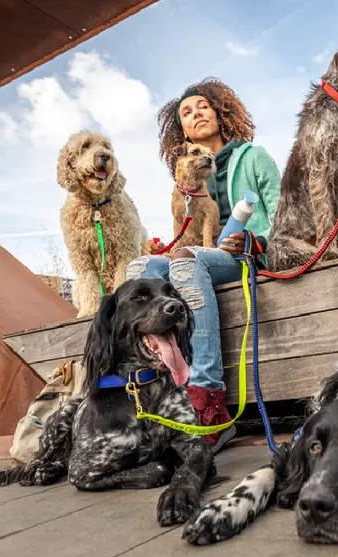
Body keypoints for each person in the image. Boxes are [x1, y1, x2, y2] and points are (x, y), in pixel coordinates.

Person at [125, 78, 281, 453]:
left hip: (247, 253)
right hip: (201, 255)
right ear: (181, 130)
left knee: (185, 262)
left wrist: (256, 238)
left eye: (202, 107)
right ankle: (160, 393)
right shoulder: (186, 181)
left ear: (219, 111)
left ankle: (207, 406)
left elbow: (285, 212)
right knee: (143, 268)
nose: (196, 115)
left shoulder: (253, 157)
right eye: (186, 113)